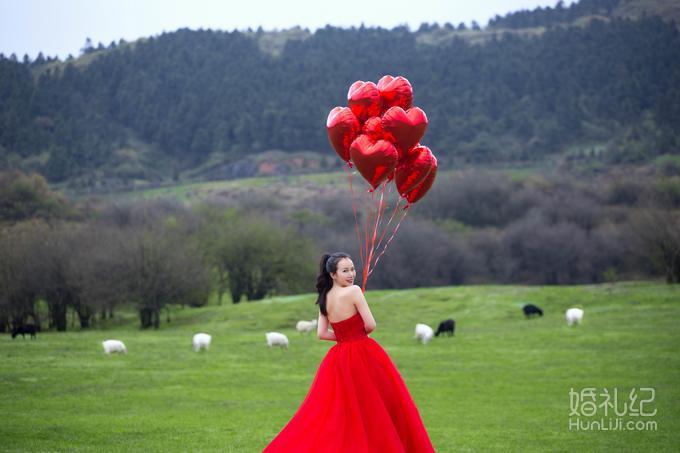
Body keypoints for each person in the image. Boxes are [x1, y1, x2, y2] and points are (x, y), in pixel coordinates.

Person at [263, 252, 435, 452]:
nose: (351, 273)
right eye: (345, 270)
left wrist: (344, 337)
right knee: (377, 406)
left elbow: (321, 333)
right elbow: (371, 325)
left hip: (339, 358)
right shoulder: (354, 292)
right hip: (364, 353)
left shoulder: (324, 298)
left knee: (342, 412)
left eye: (352, 269)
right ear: (333, 275)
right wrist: (354, 335)